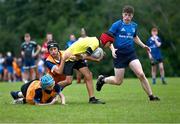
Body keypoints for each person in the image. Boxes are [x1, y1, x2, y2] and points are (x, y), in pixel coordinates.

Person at [96, 5, 160, 101]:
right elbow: (108, 39)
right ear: (122, 15)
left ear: (132, 16)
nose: (127, 17)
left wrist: (143, 46)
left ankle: (151, 96)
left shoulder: (134, 26)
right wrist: (113, 49)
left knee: (141, 74)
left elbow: (135, 37)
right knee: (118, 81)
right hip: (119, 55)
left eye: (129, 15)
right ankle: (102, 80)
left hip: (131, 54)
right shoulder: (116, 25)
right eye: (125, 15)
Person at [62, 36, 105, 104]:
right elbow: (85, 56)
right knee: (68, 81)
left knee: (88, 75)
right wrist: (96, 59)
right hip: (69, 57)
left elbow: (82, 56)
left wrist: (96, 57)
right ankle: (54, 89)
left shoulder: (94, 39)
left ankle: (92, 99)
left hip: (77, 56)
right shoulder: (95, 43)